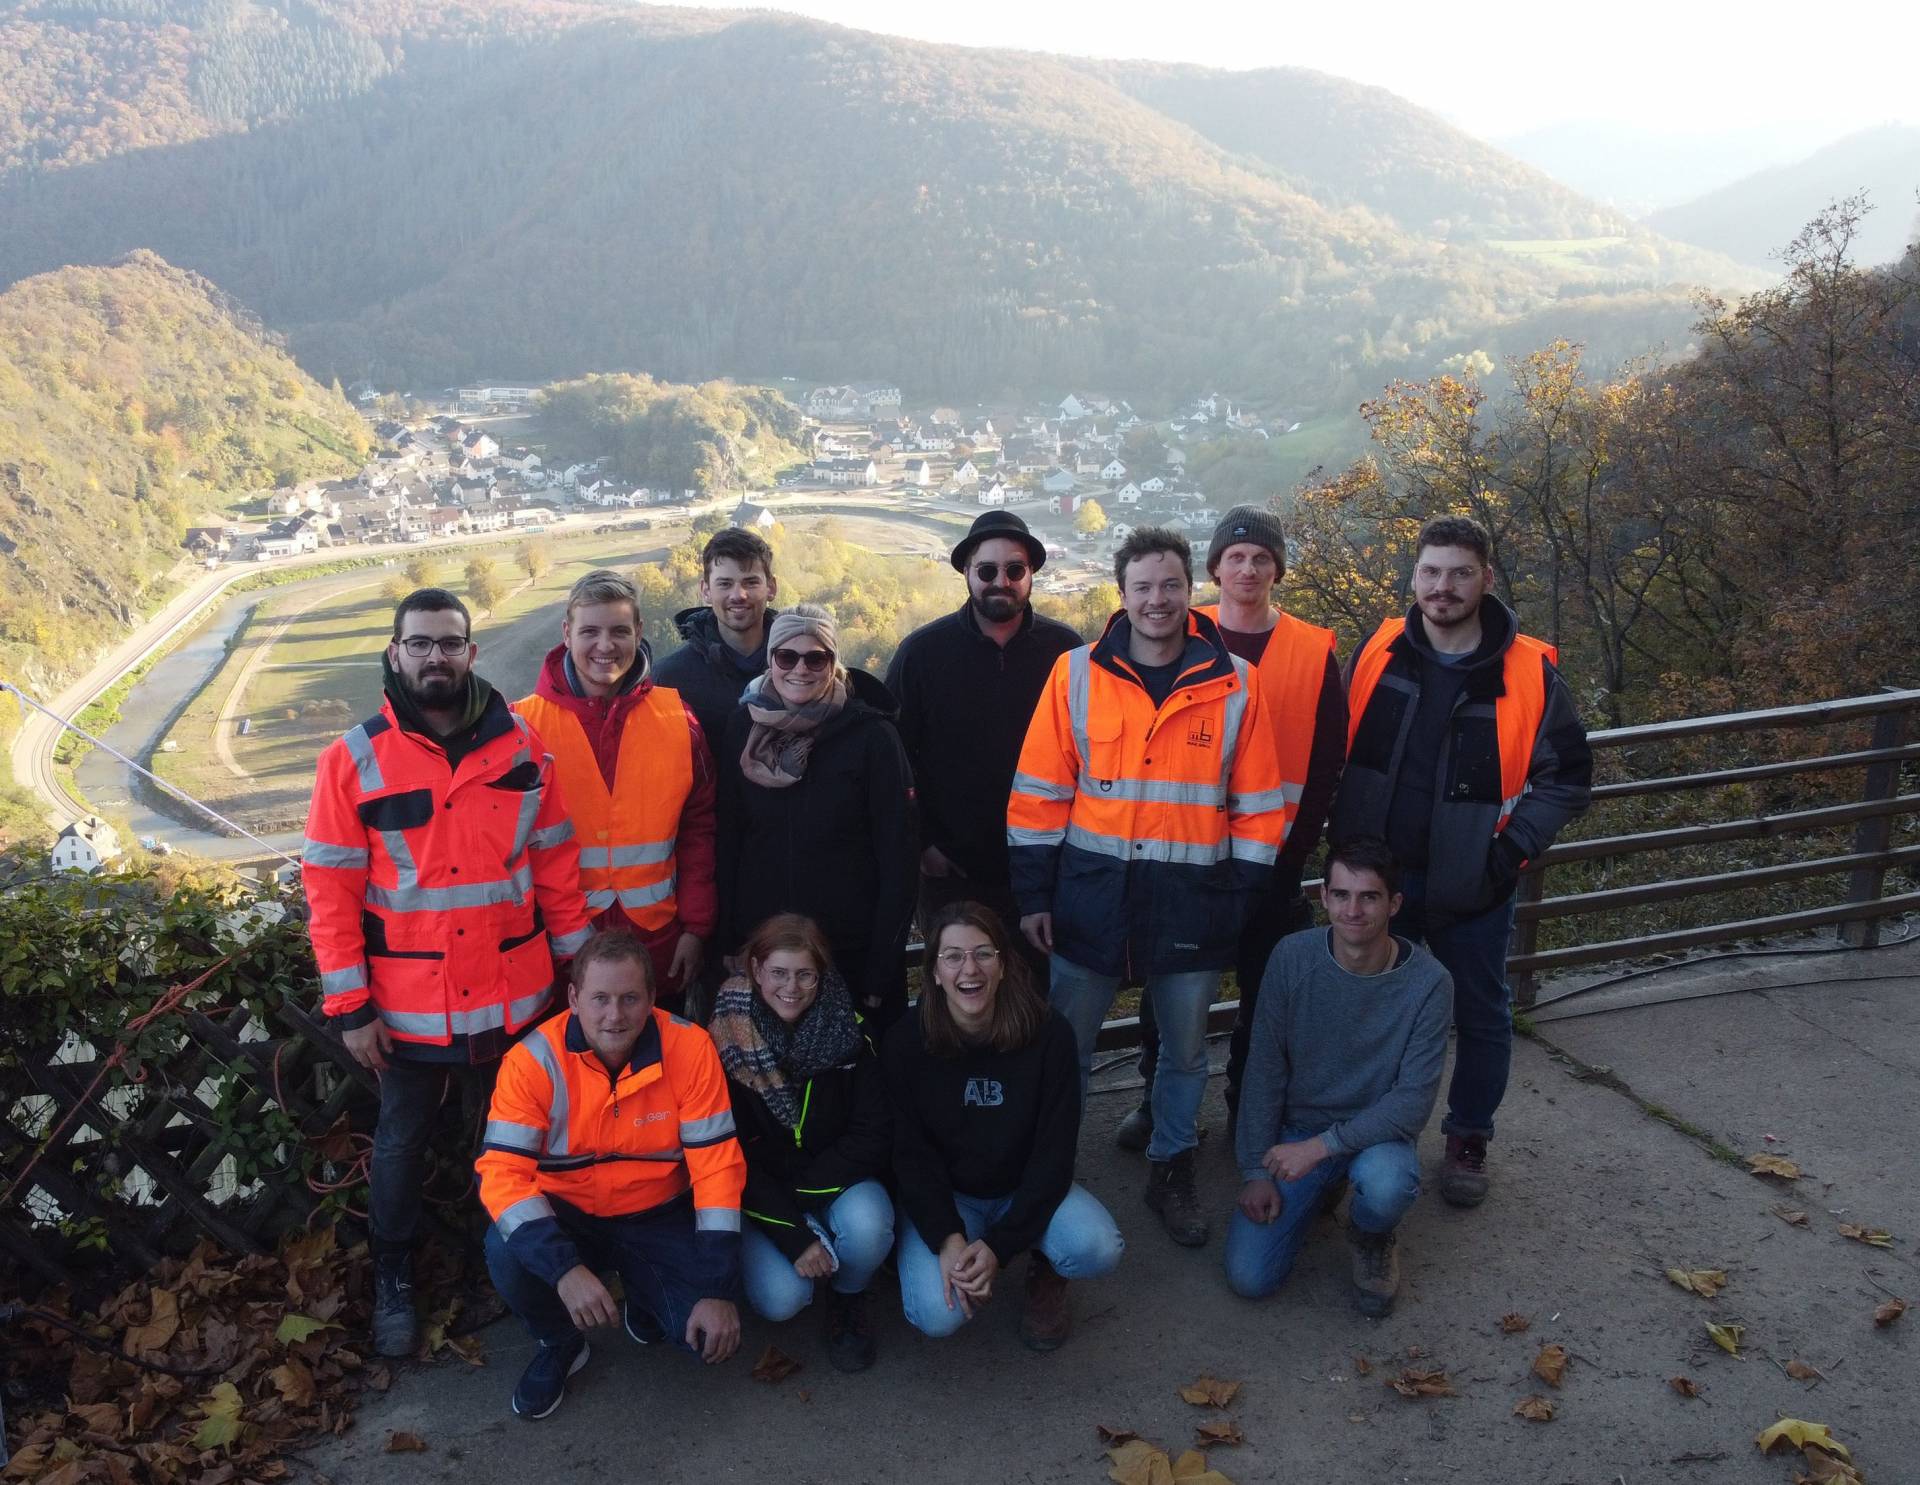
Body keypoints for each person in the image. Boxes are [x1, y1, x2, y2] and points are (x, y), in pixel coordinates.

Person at [302, 587, 594, 1358]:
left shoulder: (523, 748)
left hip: (516, 997)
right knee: (399, 1144)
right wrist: (350, 1005)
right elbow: (330, 889)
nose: (437, 656)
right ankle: (393, 1277)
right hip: (409, 1008)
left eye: (451, 642)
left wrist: (580, 969)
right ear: (396, 653)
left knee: (509, 1142)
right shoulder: (354, 758)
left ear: (471, 651)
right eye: (421, 642)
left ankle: (501, 1266)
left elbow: (557, 866)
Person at [1008, 527, 1287, 1249]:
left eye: (1169, 585)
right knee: (1064, 1048)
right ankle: (1054, 1170)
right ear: (1121, 593)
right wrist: (1035, 896)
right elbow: (1037, 796)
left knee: (1188, 1054)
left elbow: (1259, 808)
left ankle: (1172, 1166)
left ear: (1189, 587)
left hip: (1191, 904)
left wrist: (1237, 898)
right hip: (1089, 899)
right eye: (1143, 587)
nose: (1157, 600)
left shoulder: (1237, 683)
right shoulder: (1074, 675)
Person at [1329, 515, 1592, 1208]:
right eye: (1431, 572)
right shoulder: (1381, 648)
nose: (1443, 587)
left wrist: (1509, 853)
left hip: (1475, 886)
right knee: (1371, 1012)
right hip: (1378, 884)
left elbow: (1567, 775)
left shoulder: (1527, 670)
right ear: (1413, 576)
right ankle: (1367, 1134)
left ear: (1486, 579)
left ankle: (1469, 1133)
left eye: (1460, 573)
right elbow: (1336, 746)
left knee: (1480, 1014)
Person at [1120, 505, 1347, 1152]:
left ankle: (1250, 1106)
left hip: (1273, 861)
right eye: (1235, 556)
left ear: (1277, 568)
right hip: (1183, 856)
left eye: (1261, 557)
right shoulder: (1173, 635)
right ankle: (1156, 1103)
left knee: (1267, 994)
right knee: (1168, 992)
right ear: (1214, 567)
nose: (1248, 567)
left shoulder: (1312, 649)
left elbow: (1328, 758)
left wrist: (1294, 846)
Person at [476, 932, 745, 1419]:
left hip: (659, 1214)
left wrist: (718, 1289)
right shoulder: (531, 1061)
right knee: (505, 1246)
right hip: (570, 1217)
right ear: (574, 998)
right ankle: (560, 1342)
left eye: (629, 999)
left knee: (705, 1339)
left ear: (651, 999)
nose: (615, 1016)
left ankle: (644, 1297)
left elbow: (718, 1171)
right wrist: (563, 1270)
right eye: (599, 999)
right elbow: (502, 1174)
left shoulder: (690, 1047)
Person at [1225, 838, 1452, 1316]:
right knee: (1249, 1277)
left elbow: (1412, 1102)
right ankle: (1321, 1188)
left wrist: (1321, 1148)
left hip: (1376, 1137)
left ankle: (1371, 1233)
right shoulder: (1291, 958)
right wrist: (1254, 1170)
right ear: (1323, 897)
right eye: (1342, 894)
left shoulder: (1430, 983)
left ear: (1394, 904)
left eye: (1369, 897)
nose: (1353, 910)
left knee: (1389, 1183)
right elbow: (1264, 1066)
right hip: (1296, 1131)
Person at [883, 901, 1124, 1350]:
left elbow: (1054, 1154)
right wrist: (948, 1237)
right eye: (952, 956)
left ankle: (1045, 1272)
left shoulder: (1050, 1035)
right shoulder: (905, 1042)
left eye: (983, 954)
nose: (968, 969)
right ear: (934, 972)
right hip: (951, 1196)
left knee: (1097, 1247)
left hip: (1022, 1186)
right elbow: (910, 1156)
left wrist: (999, 1246)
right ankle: (938, 1250)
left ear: (1003, 964)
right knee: (934, 1315)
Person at [513, 569, 716, 1010]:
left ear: (639, 633)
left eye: (619, 631)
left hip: (658, 946)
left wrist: (696, 928)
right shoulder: (523, 728)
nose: (605, 646)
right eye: (590, 631)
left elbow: (698, 832)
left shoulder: (678, 720)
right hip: (560, 951)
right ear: (566, 633)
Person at [885, 511, 1080, 966]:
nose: (1002, 581)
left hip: (1046, 865)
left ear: (1030, 576)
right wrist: (922, 846)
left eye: (1015, 570)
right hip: (951, 870)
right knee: (959, 997)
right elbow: (892, 757)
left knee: (1034, 996)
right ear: (967, 574)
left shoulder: (1065, 652)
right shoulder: (923, 653)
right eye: (987, 570)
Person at [715, 602, 918, 1028]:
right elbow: (729, 840)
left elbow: (899, 857)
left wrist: (882, 964)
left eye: (816, 657)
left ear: (832, 661)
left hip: (851, 949)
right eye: (787, 656)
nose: (800, 669)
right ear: (770, 660)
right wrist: (730, 941)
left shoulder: (872, 737)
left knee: (856, 1079)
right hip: (765, 951)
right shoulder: (742, 728)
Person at [709, 913, 892, 1372]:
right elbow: (730, 1154)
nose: (792, 987)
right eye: (779, 973)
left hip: (833, 1179)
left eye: (805, 974)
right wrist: (793, 1235)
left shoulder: (851, 1032)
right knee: (781, 1300)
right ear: (755, 970)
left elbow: (872, 1132)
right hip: (760, 1196)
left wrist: (805, 1193)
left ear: (821, 974)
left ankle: (848, 1297)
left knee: (870, 1226)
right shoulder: (724, 1041)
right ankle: (802, 1257)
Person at [655, 528, 780, 749]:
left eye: (750, 582)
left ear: (771, 588)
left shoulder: (802, 669)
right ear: (705, 591)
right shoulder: (669, 680)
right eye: (724, 583)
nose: (738, 595)